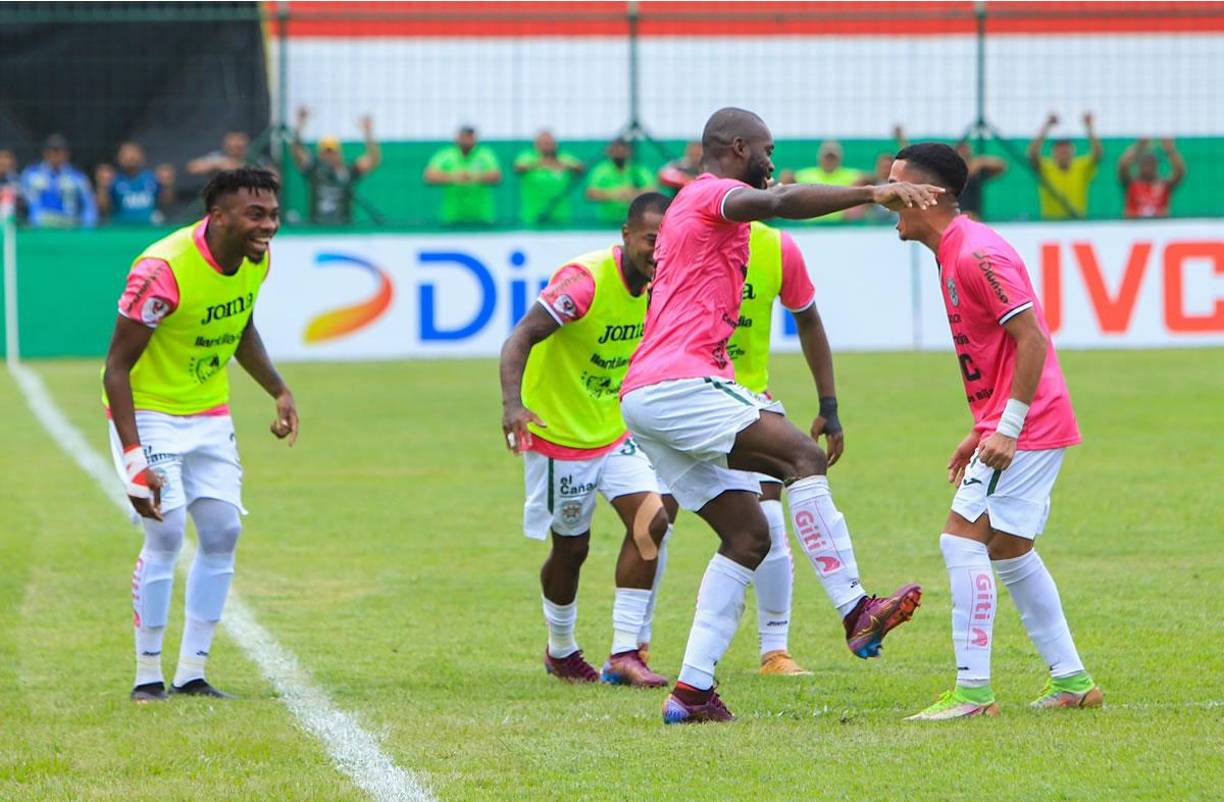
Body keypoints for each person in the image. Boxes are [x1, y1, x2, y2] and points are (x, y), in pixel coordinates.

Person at [618, 107, 939, 724]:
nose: (774, 161)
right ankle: (855, 608)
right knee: (802, 457)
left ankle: (692, 691)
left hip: (651, 396)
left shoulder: (714, 215)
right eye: (767, 150)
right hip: (681, 383)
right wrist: (873, 190)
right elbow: (783, 198)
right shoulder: (712, 195)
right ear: (739, 149)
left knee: (748, 536)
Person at [886, 143, 1101, 720]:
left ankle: (974, 692)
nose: (885, 196)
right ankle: (1073, 681)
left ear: (928, 195)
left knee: (960, 540)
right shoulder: (951, 249)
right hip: (1022, 422)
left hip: (1028, 426)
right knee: (1008, 549)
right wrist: (982, 425)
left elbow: (1031, 337)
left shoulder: (976, 252)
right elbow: (1003, 351)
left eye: (895, 185)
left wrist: (1006, 428)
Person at [102, 167, 299, 703]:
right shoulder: (162, 271)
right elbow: (116, 369)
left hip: (209, 414)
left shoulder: (256, 259)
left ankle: (191, 673)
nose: (269, 226)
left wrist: (278, 390)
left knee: (222, 533)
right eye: (256, 215)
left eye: (274, 215)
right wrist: (135, 454)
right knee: (165, 535)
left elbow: (240, 327)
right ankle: (147, 676)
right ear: (218, 217)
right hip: (150, 412)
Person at [638, 221, 846, 677]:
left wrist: (828, 403)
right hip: (677, 398)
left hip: (743, 402)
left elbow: (808, 318)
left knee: (767, 521)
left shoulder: (776, 247)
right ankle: (633, 645)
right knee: (651, 523)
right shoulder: (684, 235)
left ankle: (775, 651)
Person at [499, 193, 673, 688]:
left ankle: (624, 654)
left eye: (667, 241)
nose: (658, 252)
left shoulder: (664, 285)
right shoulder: (585, 282)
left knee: (652, 521)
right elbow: (520, 337)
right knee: (572, 550)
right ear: (626, 235)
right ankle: (560, 649)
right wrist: (513, 406)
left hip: (615, 433)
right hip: (560, 439)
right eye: (649, 240)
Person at [291, 106, 382, 225]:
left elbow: (373, 159)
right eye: (325, 152)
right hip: (317, 226)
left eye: (332, 152)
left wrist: (368, 133)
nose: (329, 156)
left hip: (343, 227)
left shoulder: (348, 170)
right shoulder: (314, 168)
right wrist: (300, 124)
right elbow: (296, 151)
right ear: (320, 154)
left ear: (339, 154)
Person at [1027, 112, 1103, 220]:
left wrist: (1089, 127)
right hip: (1051, 224)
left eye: (1067, 147)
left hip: (1077, 222)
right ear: (1053, 152)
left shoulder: (1081, 166)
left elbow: (1098, 154)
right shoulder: (1046, 168)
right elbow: (1032, 154)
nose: (1063, 150)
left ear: (1073, 150)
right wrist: (1046, 126)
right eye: (1059, 148)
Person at [423, 125, 502, 226]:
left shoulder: (485, 155)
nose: (466, 140)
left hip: (481, 216)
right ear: (457, 138)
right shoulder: (445, 155)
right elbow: (429, 176)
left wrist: (472, 177)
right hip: (452, 216)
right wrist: (453, 177)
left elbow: (496, 176)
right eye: (463, 137)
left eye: (470, 137)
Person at [20, 134, 97, 228]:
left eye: (59, 151)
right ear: (45, 152)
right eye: (52, 151)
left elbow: (88, 205)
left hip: (68, 227)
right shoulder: (30, 174)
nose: (55, 155)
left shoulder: (78, 177)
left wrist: (87, 229)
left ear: (66, 154)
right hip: (39, 226)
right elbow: (20, 199)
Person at [513, 129, 584, 226]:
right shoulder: (528, 157)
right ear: (536, 145)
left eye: (550, 143)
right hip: (533, 215)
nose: (547, 146)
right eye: (543, 143)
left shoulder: (564, 157)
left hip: (561, 215)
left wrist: (563, 165)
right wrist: (541, 164)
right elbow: (518, 168)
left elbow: (580, 167)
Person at [95, 142, 176, 225]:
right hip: (121, 229)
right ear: (119, 158)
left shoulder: (152, 178)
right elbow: (103, 209)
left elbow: (167, 203)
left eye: (134, 153)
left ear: (142, 156)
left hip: (150, 228)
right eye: (126, 154)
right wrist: (102, 187)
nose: (130, 157)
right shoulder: (114, 180)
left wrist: (167, 186)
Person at [786, 140, 864, 223]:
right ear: (820, 157)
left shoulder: (852, 175)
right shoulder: (805, 174)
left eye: (832, 158)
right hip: (810, 226)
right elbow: (787, 178)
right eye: (827, 157)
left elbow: (869, 180)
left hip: (842, 225)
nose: (829, 161)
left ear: (839, 159)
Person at [585, 138, 656, 226]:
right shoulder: (601, 171)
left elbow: (653, 190)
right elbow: (590, 193)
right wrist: (616, 194)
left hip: (634, 222)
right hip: (606, 222)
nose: (619, 154)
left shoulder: (638, 169)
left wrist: (635, 194)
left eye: (622, 151)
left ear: (629, 152)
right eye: (616, 151)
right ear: (609, 152)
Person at [1118, 138, 1186, 219]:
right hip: (1134, 228)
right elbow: (1123, 165)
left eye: (1150, 163)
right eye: (1144, 163)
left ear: (1156, 165)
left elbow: (1180, 171)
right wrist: (1139, 146)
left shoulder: (1164, 185)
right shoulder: (1131, 183)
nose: (1147, 166)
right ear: (1139, 165)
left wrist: (1170, 150)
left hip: (1160, 228)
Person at [954, 140, 1007, 221]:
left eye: (967, 150)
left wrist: (982, 161)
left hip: (975, 217)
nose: (965, 152)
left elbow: (1002, 165)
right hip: (955, 217)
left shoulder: (976, 171)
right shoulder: (950, 173)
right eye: (962, 151)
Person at [187, 131, 254, 178]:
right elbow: (193, 167)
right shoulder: (218, 157)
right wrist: (218, 164)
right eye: (232, 140)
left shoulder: (254, 158)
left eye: (240, 140)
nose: (235, 143)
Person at [0, 149, 26, 220]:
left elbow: (22, 202)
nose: (3, 161)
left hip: (10, 221)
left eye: (7, 158)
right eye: (1, 158)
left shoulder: (16, 181)